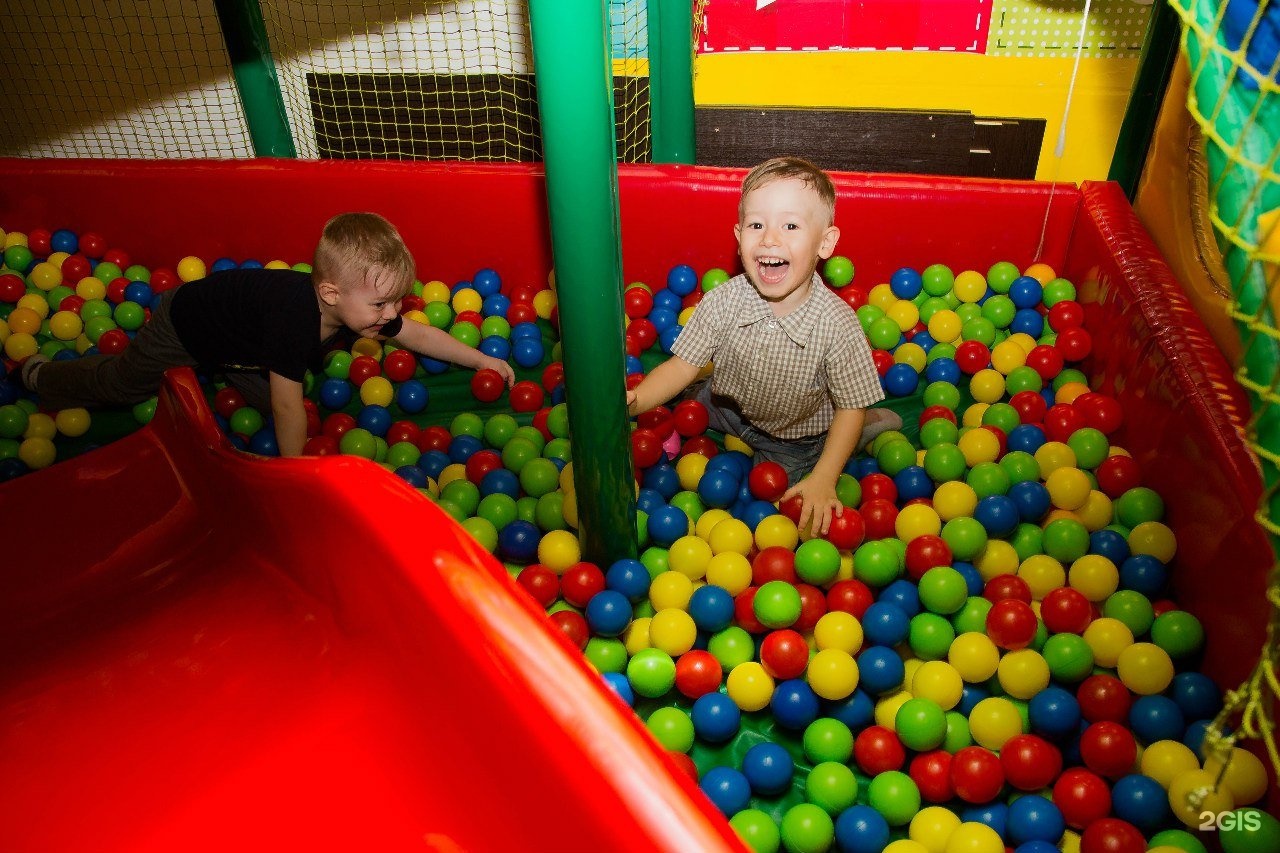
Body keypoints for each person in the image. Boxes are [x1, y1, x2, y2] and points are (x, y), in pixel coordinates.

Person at [20, 212, 514, 457]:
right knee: (125, 384)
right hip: (188, 327)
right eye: (382, 304)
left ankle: (230, 374)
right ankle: (44, 378)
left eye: (395, 300)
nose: (392, 313)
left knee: (283, 396)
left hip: (243, 345)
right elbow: (286, 407)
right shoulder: (293, 326)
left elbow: (417, 337)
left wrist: (480, 361)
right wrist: (295, 472)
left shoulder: (348, 310)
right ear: (330, 292)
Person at [626, 156, 900, 535]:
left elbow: (849, 407)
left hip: (795, 436)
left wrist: (824, 477)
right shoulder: (723, 300)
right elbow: (681, 367)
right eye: (757, 225)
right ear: (739, 239)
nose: (770, 238)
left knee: (778, 501)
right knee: (681, 404)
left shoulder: (836, 324)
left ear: (825, 242)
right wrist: (637, 399)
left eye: (790, 225)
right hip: (728, 406)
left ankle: (869, 429)